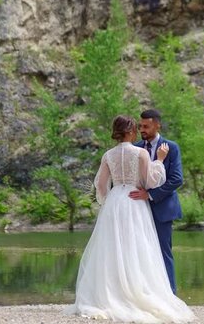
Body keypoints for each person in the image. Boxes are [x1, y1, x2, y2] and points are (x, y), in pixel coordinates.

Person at [65, 115, 195, 323]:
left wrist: (108, 200)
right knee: (139, 247)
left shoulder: (108, 154)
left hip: (115, 202)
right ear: (131, 131)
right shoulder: (140, 152)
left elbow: (100, 184)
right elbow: (151, 181)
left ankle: (112, 293)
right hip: (134, 201)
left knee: (114, 248)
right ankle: (138, 291)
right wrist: (159, 161)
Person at [129, 109, 183, 294]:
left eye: (146, 126)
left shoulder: (171, 147)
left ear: (157, 125)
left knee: (163, 252)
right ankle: (145, 294)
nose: (142, 129)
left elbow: (176, 179)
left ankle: (171, 294)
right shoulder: (135, 148)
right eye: (140, 126)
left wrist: (151, 195)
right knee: (140, 253)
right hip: (138, 209)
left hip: (162, 209)